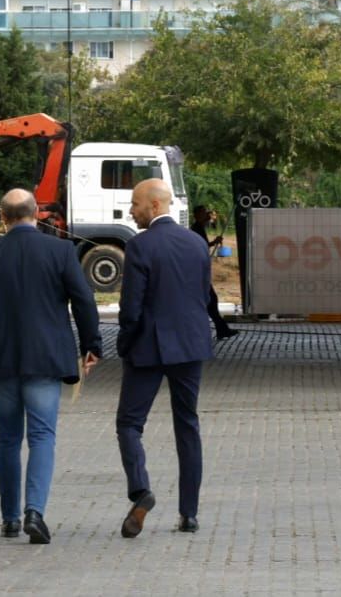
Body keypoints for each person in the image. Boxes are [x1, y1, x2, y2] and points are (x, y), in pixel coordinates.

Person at [0, 189, 102, 544]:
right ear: (37, 213)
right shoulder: (60, 251)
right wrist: (91, 345)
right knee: (42, 436)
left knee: (7, 437)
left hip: (2, 358)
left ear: (2, 217)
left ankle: (9, 518)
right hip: (46, 358)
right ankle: (34, 511)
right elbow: (83, 300)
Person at [115, 178, 213, 537]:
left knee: (129, 423)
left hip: (148, 347)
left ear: (154, 206)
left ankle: (141, 491)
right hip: (190, 346)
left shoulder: (139, 246)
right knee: (187, 425)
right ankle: (189, 514)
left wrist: (124, 344)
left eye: (135, 203)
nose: (131, 210)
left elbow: (131, 309)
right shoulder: (196, 243)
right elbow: (203, 294)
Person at [191, 205, 237, 340]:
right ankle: (222, 329)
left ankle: (222, 329)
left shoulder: (199, 228)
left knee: (211, 300)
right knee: (211, 300)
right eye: (203, 213)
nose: (206, 215)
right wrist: (213, 243)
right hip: (197, 271)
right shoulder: (196, 229)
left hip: (199, 270)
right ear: (197, 215)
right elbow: (201, 245)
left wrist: (214, 242)